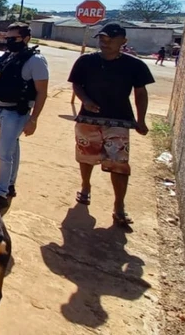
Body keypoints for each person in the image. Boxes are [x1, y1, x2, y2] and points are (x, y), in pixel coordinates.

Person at [69, 23, 154, 228]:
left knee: (119, 164)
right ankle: (86, 186)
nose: (104, 43)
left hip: (119, 121)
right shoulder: (86, 61)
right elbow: (77, 85)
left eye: (110, 40)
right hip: (89, 119)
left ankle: (119, 206)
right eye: (102, 39)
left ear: (123, 41)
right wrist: (86, 100)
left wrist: (140, 120)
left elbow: (140, 93)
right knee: (86, 157)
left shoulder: (134, 65)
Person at [0, 22, 50, 214]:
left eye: (13, 38)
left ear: (26, 38)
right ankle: (8, 185)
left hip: (15, 112)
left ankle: (1, 195)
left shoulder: (35, 61)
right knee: (12, 150)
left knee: (4, 153)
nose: (9, 41)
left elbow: (42, 92)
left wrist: (34, 119)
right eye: (7, 38)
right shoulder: (9, 57)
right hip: (1, 110)